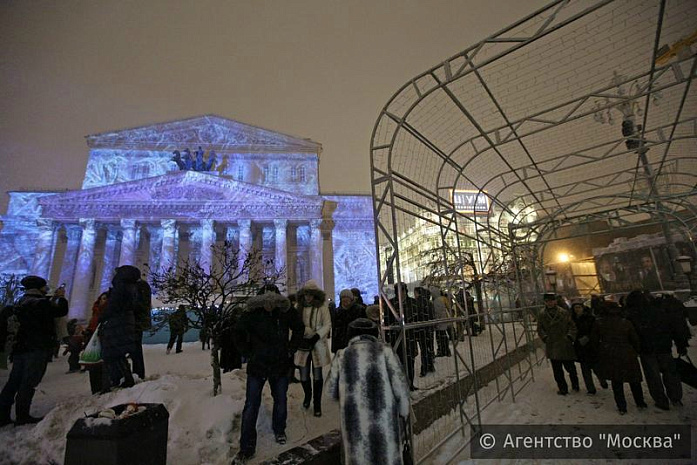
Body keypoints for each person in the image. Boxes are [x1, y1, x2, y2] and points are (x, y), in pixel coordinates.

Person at [232, 289, 304, 464]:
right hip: (258, 365)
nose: (269, 304)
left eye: (272, 300)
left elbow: (299, 328)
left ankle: (279, 429)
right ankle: (247, 446)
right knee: (251, 405)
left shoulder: (285, 312)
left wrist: (291, 348)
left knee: (280, 399)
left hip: (279, 364)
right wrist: (248, 352)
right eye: (265, 300)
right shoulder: (253, 314)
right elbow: (237, 332)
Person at [327, 318, 410, 465]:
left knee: (359, 457)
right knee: (387, 457)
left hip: (355, 424)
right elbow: (400, 385)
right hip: (385, 422)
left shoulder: (342, 355)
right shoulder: (385, 352)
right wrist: (404, 412)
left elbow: (330, 391)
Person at [0, 276, 68, 426]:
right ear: (39, 288)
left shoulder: (20, 302)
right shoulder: (41, 304)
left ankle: (2, 414)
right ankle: (22, 415)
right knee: (29, 381)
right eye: (44, 287)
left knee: (14, 381)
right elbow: (60, 311)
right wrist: (61, 297)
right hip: (37, 347)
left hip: (20, 348)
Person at [627, 291, 688, 410]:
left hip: (647, 349)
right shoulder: (659, 311)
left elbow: (632, 334)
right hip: (664, 346)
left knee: (653, 377)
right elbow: (674, 328)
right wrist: (681, 344)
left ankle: (661, 401)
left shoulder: (633, 314)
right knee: (670, 374)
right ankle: (676, 398)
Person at [591, 301, 647, 414]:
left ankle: (622, 406)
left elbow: (594, 341)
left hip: (609, 353)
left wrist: (599, 352)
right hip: (627, 352)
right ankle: (640, 402)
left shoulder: (599, 323)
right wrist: (636, 350)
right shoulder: (625, 322)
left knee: (616, 382)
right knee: (634, 379)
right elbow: (635, 339)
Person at [297, 280, 332, 417]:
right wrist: (303, 332)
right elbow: (295, 325)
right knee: (304, 375)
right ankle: (307, 396)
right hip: (303, 345)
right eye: (306, 294)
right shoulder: (298, 307)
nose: (308, 297)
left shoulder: (322, 307)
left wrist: (317, 335)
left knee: (317, 375)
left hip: (317, 345)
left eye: (311, 295)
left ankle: (317, 403)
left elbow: (327, 324)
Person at [99, 267, 138, 389]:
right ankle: (123, 378)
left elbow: (113, 306)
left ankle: (121, 379)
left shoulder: (121, 287)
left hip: (117, 323)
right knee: (118, 353)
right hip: (124, 322)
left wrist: (102, 317)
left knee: (113, 353)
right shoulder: (131, 287)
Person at [537, 293, 579, 395]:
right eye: (547, 301)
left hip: (564, 344)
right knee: (557, 371)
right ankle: (563, 388)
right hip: (552, 344)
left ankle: (575, 385)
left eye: (551, 301)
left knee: (570, 368)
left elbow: (572, 326)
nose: (549, 303)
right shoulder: (542, 314)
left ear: (555, 301)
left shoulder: (563, 312)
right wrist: (545, 338)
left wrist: (569, 337)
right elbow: (540, 328)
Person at [387, 283, 418, 390]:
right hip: (396, 338)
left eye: (402, 290)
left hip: (410, 336)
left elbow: (417, 319)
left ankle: (410, 383)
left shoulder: (413, 303)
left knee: (410, 362)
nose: (401, 293)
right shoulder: (390, 303)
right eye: (398, 291)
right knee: (398, 362)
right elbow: (388, 321)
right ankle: (400, 386)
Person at [570, 302, 606, 394]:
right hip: (580, 347)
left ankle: (602, 380)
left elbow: (595, 331)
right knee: (585, 369)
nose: (577, 309)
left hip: (591, 346)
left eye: (579, 307)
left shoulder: (590, 318)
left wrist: (588, 338)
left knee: (596, 367)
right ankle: (590, 388)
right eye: (575, 308)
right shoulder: (572, 319)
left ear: (583, 308)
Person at [84, 292, 111, 394]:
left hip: (103, 340)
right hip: (93, 341)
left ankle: (102, 387)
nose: (102, 301)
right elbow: (92, 325)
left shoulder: (107, 312)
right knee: (93, 366)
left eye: (105, 299)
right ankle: (95, 389)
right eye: (101, 299)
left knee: (102, 366)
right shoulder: (95, 312)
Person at [331, 289, 365, 353]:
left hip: (355, 344)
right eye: (343, 297)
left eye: (347, 297)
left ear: (351, 299)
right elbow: (334, 330)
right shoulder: (337, 312)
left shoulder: (359, 310)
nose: (345, 299)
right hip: (340, 346)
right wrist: (334, 348)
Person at [413, 286, 435, 376]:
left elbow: (417, 316)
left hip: (421, 329)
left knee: (424, 349)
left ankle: (424, 368)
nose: (414, 295)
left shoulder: (417, 303)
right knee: (427, 348)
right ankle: (430, 366)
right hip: (428, 328)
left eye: (415, 293)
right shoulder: (428, 302)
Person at [430, 287, 452, 358]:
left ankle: (442, 351)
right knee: (443, 336)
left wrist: (436, 322)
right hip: (444, 320)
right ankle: (446, 350)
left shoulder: (437, 301)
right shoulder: (441, 299)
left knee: (440, 337)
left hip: (440, 322)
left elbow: (437, 313)